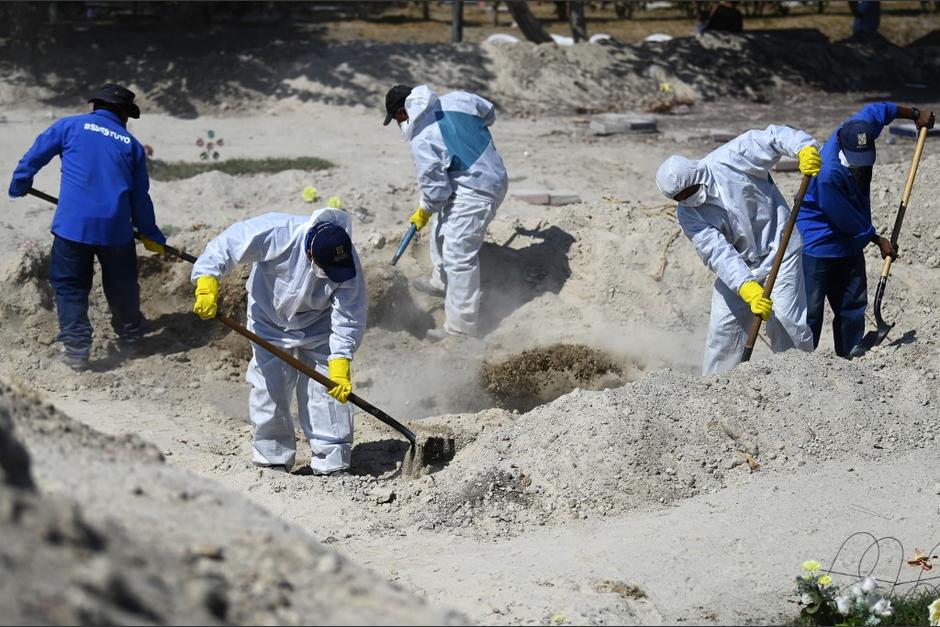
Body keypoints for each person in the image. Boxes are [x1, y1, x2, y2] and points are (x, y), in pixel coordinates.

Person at [190, 208, 367, 476]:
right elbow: (228, 244)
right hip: (269, 320)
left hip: (319, 326)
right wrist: (206, 280)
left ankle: (332, 462)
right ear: (310, 254)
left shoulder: (345, 261)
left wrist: (340, 359)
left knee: (326, 390)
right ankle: (272, 456)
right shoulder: (278, 233)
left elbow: (349, 314)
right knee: (269, 385)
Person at [7, 84, 166, 371]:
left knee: (70, 287)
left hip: (73, 227)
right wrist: (150, 233)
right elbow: (140, 197)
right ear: (123, 114)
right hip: (116, 232)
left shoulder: (69, 126)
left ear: (96, 106)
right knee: (122, 287)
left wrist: (21, 181)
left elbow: (35, 155)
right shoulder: (131, 145)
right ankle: (131, 340)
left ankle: (78, 351)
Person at [655, 125, 822, 375]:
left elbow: (773, 138)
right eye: (680, 198)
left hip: (780, 250)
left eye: (689, 191)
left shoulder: (731, 158)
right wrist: (746, 287)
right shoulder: (688, 214)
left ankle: (799, 378)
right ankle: (717, 388)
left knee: (786, 322)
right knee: (723, 329)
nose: (689, 199)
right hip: (742, 267)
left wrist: (804, 148)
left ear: (697, 174)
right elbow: (717, 253)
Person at [797, 103, 936, 357]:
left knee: (852, 305)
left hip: (850, 242)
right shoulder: (828, 173)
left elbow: (880, 109)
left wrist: (915, 114)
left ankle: (851, 355)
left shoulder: (859, 130)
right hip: (819, 243)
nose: (862, 167)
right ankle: (802, 366)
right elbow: (846, 220)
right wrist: (878, 240)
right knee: (811, 312)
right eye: (856, 163)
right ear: (842, 148)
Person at [383, 83, 508, 341]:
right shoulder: (459, 99)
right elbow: (489, 113)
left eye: (395, 118)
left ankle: (460, 331)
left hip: (475, 191)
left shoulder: (422, 137)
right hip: (493, 174)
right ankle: (441, 282)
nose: (398, 123)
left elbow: (437, 191)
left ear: (401, 113)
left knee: (459, 255)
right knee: (445, 225)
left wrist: (424, 209)